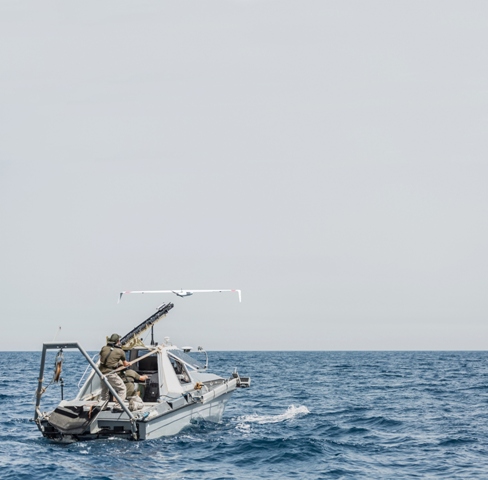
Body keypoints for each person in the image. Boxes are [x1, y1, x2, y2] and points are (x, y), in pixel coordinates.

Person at [99, 333, 130, 406]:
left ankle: (103, 406)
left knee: (104, 390)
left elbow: (101, 359)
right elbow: (125, 364)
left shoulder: (104, 348)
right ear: (118, 341)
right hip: (110, 373)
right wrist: (128, 363)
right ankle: (118, 406)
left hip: (101, 373)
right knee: (122, 389)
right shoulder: (120, 351)